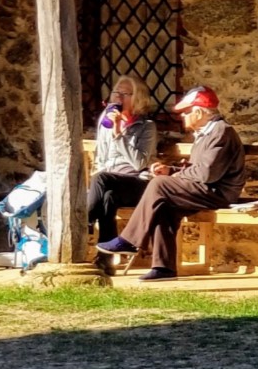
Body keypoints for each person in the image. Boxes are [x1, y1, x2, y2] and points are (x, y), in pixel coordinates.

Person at [94, 85, 244, 281]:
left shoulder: (221, 132)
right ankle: (164, 268)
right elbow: (199, 170)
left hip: (217, 192)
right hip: (204, 188)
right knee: (163, 206)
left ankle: (129, 241)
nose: (182, 117)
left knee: (159, 185)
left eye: (185, 112)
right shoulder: (208, 132)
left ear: (198, 112)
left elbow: (207, 173)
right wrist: (170, 170)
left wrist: (170, 177)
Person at [87, 74, 158, 250]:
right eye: (116, 92)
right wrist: (113, 127)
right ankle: (106, 258)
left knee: (101, 178)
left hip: (137, 183)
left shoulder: (147, 126)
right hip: (111, 183)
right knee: (108, 197)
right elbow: (102, 157)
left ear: (137, 99)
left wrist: (119, 135)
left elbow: (139, 163)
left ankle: (85, 220)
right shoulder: (106, 122)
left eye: (125, 93)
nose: (118, 97)